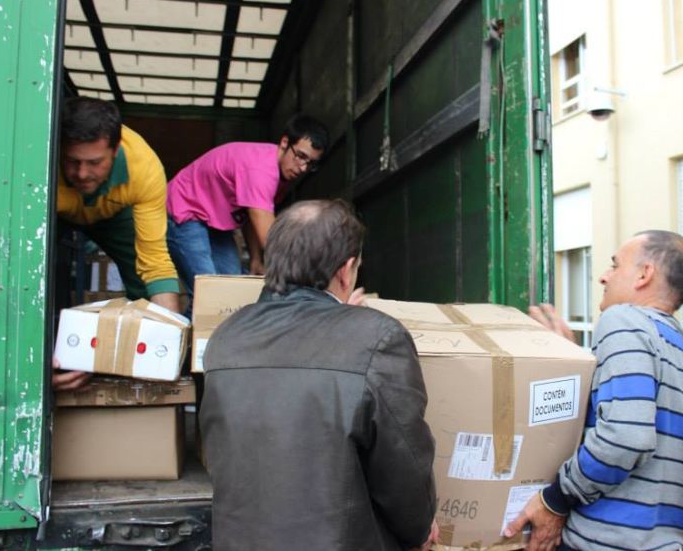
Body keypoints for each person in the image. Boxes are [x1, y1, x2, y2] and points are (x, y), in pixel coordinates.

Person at [199, 199, 438, 551]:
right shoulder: (379, 338)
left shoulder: (226, 337)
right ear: (346, 270)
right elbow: (404, 468)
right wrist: (419, 528)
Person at [504, 230, 683, 551]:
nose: (603, 277)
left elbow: (626, 436)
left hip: (607, 541)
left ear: (644, 274)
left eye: (615, 265)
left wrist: (555, 499)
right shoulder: (682, 346)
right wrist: (572, 360)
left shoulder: (621, 319)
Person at [53, 97, 181, 391]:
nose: (82, 174)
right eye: (72, 161)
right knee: (39, 275)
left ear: (115, 149)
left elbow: (156, 263)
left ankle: (144, 361)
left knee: (142, 281)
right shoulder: (38, 157)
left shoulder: (144, 168)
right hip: (54, 210)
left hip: (113, 213)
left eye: (95, 163)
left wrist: (171, 344)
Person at [165, 115, 329, 305]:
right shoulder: (260, 171)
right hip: (186, 209)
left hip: (213, 220)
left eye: (310, 163)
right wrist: (304, 277)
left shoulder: (282, 175)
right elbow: (271, 239)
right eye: (300, 156)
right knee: (208, 290)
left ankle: (206, 320)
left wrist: (255, 259)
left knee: (231, 282)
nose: (302, 168)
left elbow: (251, 215)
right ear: (285, 143)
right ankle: (189, 325)